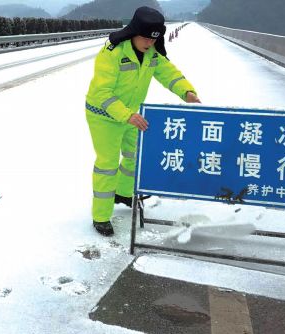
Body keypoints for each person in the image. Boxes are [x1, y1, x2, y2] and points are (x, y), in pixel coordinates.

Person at [85, 6, 201, 236]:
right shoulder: (112, 52)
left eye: (154, 39)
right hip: (103, 115)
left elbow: (169, 73)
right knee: (107, 165)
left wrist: (186, 92)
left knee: (134, 155)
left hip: (131, 115)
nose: (149, 43)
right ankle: (100, 216)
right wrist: (126, 114)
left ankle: (123, 193)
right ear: (134, 32)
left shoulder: (151, 54)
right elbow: (102, 93)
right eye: (146, 38)